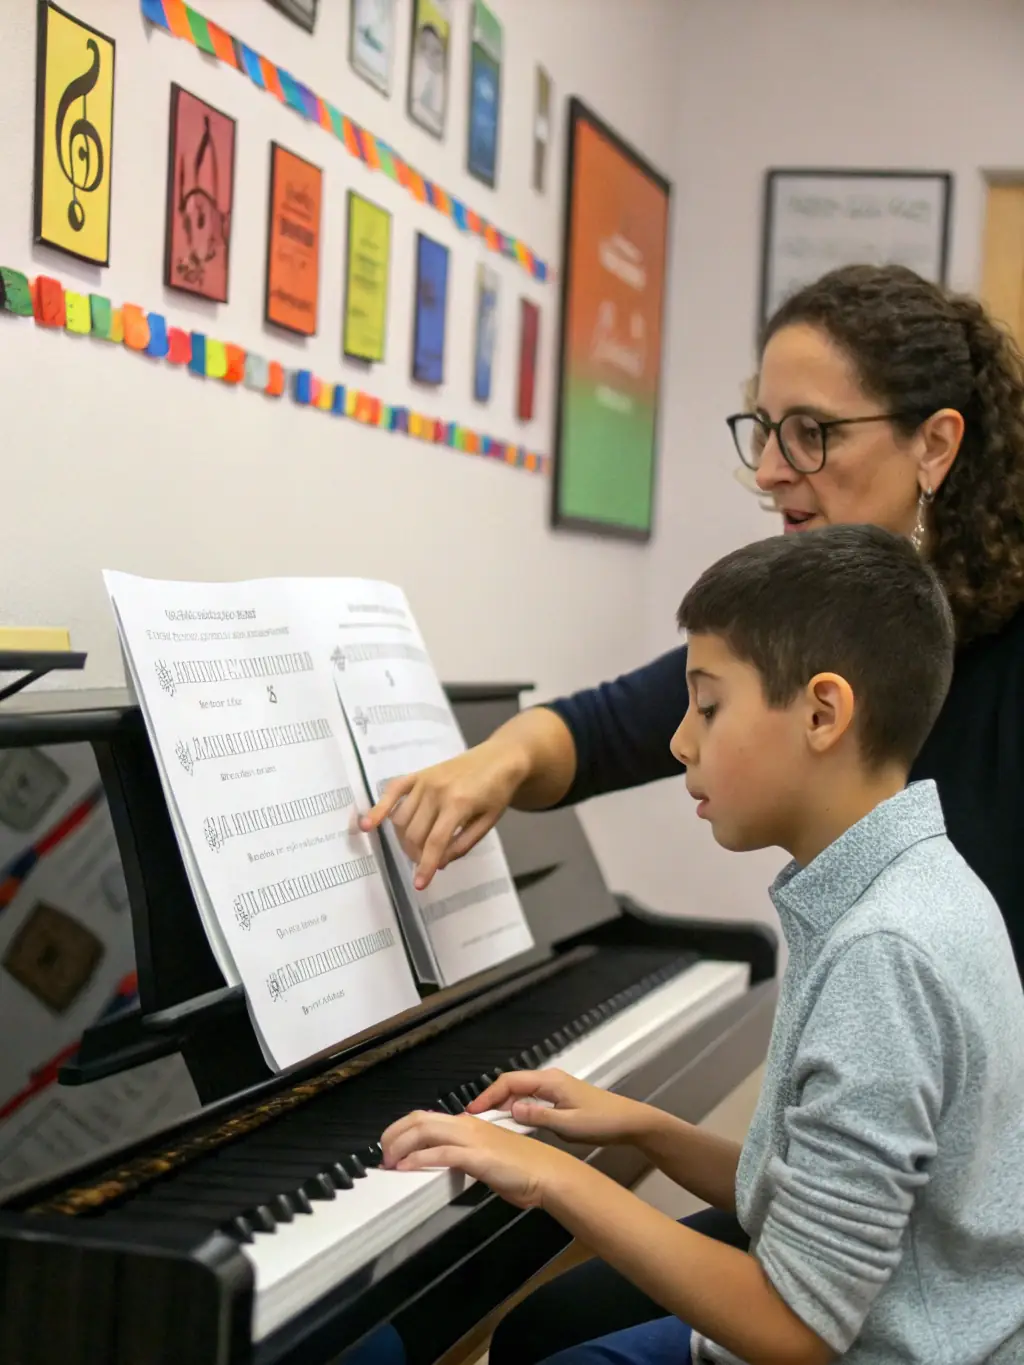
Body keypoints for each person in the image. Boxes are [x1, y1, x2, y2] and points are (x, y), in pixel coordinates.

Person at [380, 525, 1024, 1365]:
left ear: (824, 713)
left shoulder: (885, 951)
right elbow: (814, 1201)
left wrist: (553, 1175)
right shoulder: (910, 882)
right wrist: (645, 1127)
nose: (681, 740)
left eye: (709, 705)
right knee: (535, 1333)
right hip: (906, 1320)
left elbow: (796, 1332)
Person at [361, 264, 1024, 985]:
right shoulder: (818, 620)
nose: (770, 469)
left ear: (933, 444)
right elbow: (601, 731)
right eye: (767, 430)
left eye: (811, 432)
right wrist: (499, 757)